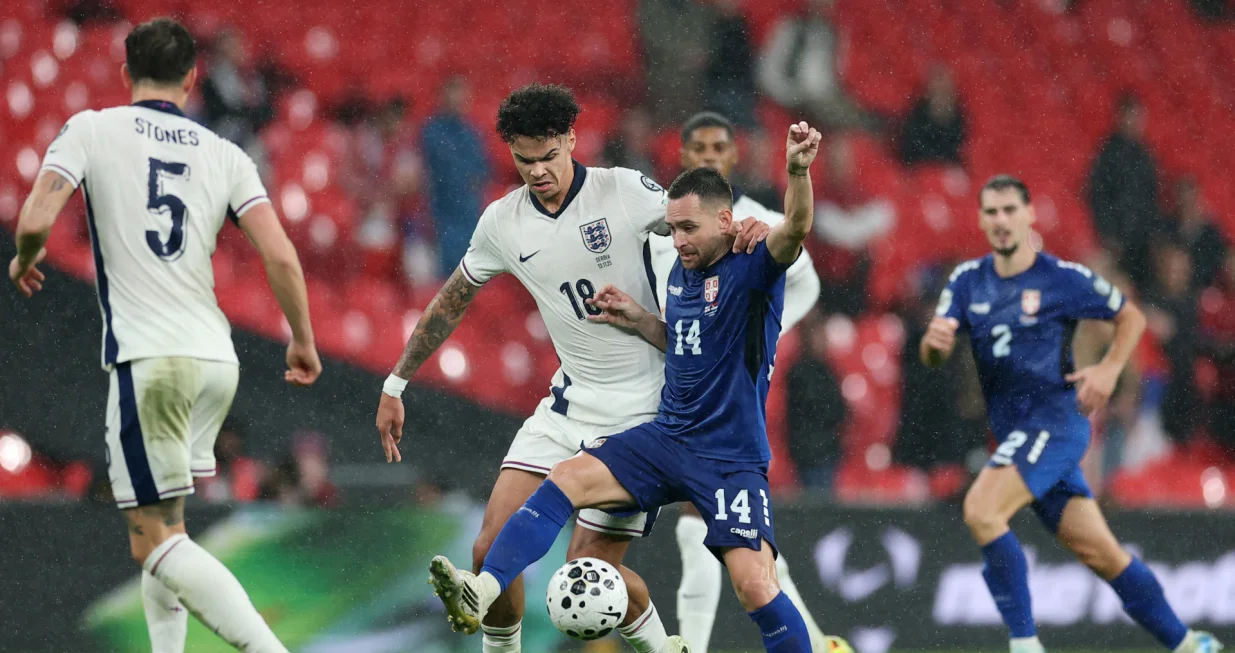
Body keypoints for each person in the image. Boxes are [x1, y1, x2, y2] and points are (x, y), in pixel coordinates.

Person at [376, 84, 775, 653]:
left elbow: (698, 226)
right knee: (489, 552)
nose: (537, 172)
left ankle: (664, 648)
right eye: (524, 161)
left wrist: (749, 233)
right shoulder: (502, 222)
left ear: (570, 140)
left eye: (548, 157)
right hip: (567, 406)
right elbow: (452, 299)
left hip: (641, 414)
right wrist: (397, 381)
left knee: (584, 581)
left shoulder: (625, 191)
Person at [7, 18, 321, 653]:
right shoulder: (225, 153)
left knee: (153, 540)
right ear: (192, 79)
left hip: (151, 360)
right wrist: (302, 339)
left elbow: (37, 214)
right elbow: (282, 257)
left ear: (126, 75)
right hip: (214, 357)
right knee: (167, 526)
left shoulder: (92, 128)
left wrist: (26, 256)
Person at [920, 175, 1221, 653]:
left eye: (1009, 210)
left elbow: (1132, 317)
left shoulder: (1060, 278)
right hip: (1016, 435)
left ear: (1029, 214)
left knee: (981, 509)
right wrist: (933, 346)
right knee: (1103, 554)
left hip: (1054, 422)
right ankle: (1188, 643)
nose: (1000, 221)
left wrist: (1108, 369)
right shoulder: (966, 281)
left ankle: (1024, 645)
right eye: (991, 212)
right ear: (980, 219)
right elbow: (933, 353)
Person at [630, 110, 843, 653]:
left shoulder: (755, 222)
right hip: (672, 377)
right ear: (683, 156)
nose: (707, 154)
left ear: (732, 156)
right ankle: (816, 642)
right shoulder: (666, 223)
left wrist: (758, 341)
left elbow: (806, 281)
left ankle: (691, 644)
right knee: (738, 530)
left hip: (724, 391)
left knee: (702, 515)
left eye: (717, 146)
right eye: (696, 146)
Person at [1088, 94, 1160, 287]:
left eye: (1137, 116)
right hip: (1117, 238)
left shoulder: (1146, 155)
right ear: (1119, 117)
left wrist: (1152, 234)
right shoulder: (1107, 153)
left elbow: (1152, 198)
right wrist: (1109, 234)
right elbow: (1097, 195)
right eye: (1130, 116)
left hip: (1141, 237)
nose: (1134, 122)